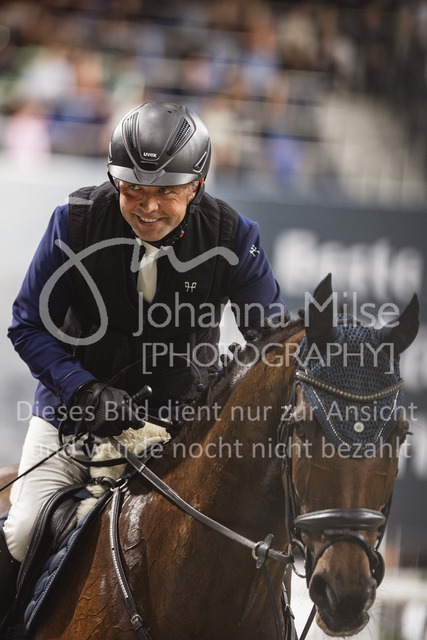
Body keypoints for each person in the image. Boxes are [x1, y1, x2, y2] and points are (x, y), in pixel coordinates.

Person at [0, 101, 287, 624]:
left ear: (196, 186)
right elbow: (27, 323)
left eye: (166, 192)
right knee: (21, 532)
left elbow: (270, 344)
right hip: (70, 416)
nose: (147, 207)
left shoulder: (234, 237)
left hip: (175, 428)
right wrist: (83, 389)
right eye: (132, 188)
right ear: (114, 178)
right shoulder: (76, 221)